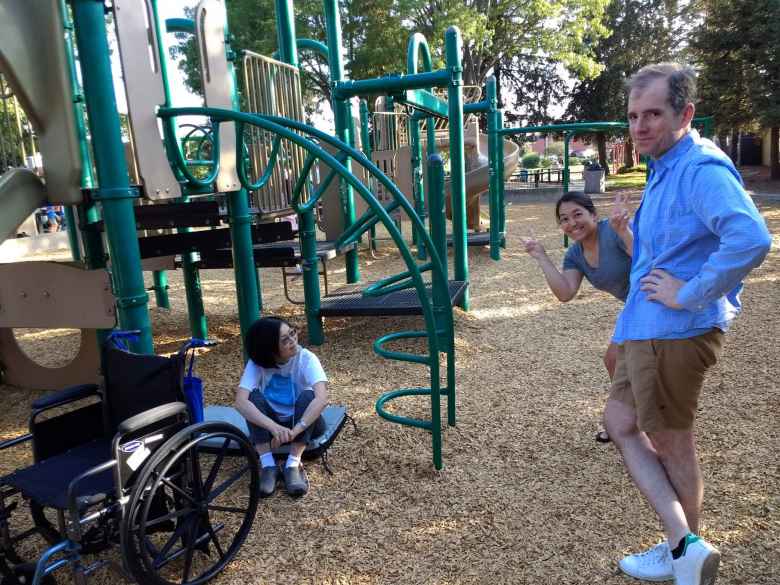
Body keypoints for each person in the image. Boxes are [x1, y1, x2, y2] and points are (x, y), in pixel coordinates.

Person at [604, 63, 771, 585]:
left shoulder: (700, 168)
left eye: (653, 114)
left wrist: (690, 292)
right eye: (633, 116)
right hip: (646, 327)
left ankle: (684, 553)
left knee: (673, 442)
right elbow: (668, 250)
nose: (640, 126)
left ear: (685, 113)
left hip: (674, 333)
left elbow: (750, 239)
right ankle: (684, 544)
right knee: (619, 422)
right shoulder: (665, 167)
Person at [522, 190, 633, 441]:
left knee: (626, 361)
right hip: (635, 306)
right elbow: (565, 292)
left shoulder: (612, 229)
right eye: (564, 219)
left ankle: (632, 422)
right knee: (614, 361)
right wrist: (541, 256)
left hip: (654, 297)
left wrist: (625, 231)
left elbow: (648, 259)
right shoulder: (575, 254)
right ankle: (628, 420)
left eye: (577, 214)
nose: (572, 223)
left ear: (593, 214)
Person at [234, 317, 329, 498]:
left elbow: (322, 398)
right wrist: (274, 427)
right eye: (285, 340)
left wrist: (295, 430)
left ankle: (293, 463)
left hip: (304, 424)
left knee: (309, 396)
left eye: (292, 333)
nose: (293, 340)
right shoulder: (257, 364)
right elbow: (240, 402)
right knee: (252, 398)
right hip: (272, 429)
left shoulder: (306, 358)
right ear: (269, 349)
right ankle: (268, 463)